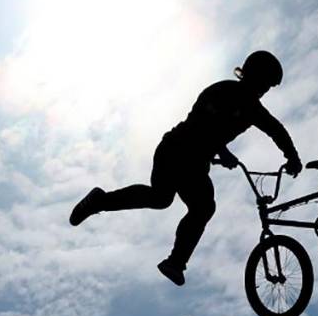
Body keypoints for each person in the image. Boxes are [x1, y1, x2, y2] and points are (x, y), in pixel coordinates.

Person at [68, 50, 302, 286]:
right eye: (264, 83)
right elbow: (204, 124)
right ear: (252, 75)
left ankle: (101, 202)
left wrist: (292, 156)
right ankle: (174, 262)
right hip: (176, 149)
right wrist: (222, 150)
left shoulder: (254, 110)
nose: (264, 91)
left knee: (164, 199)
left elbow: (276, 130)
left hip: (195, 162)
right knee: (194, 205)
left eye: (268, 87)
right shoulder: (221, 91)